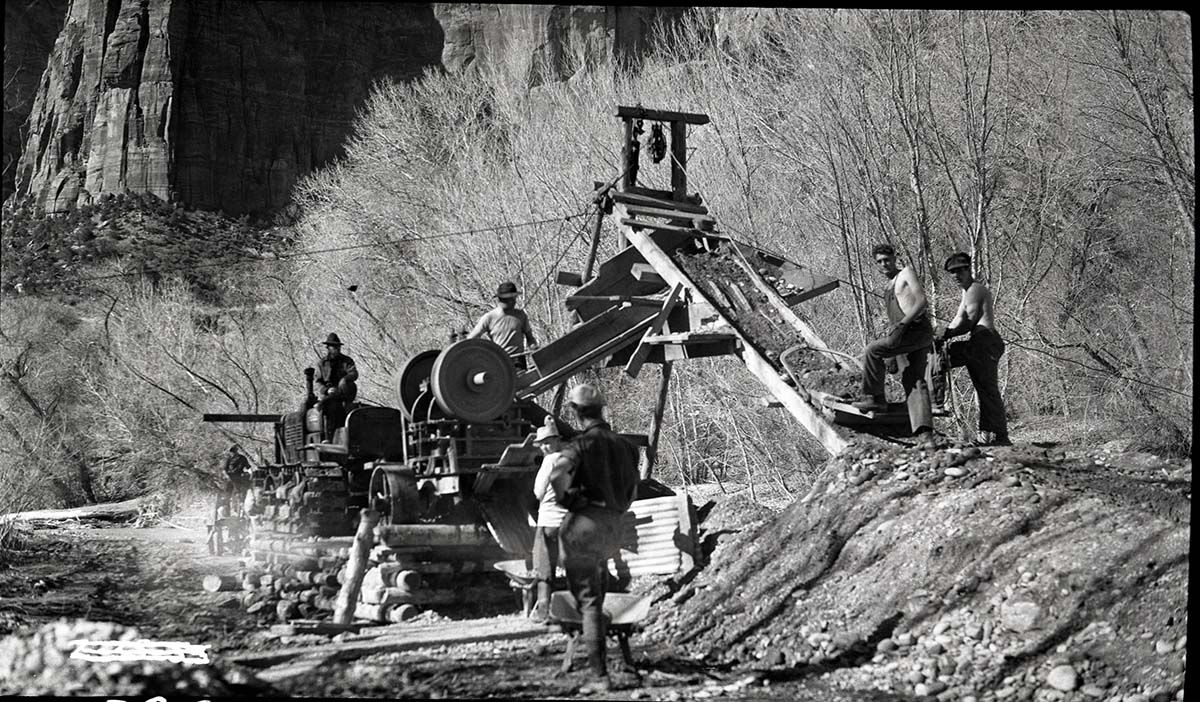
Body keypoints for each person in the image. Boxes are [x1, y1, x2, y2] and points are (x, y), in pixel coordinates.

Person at [549, 384, 639, 692]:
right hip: (614, 526)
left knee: (588, 603)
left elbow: (556, 474)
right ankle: (607, 663)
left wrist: (568, 501)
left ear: (575, 412)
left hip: (583, 527)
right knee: (598, 594)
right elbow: (633, 490)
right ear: (602, 408)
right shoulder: (627, 446)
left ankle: (599, 676)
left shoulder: (579, 445)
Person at [853, 243, 935, 435]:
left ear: (895, 258)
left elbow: (922, 301)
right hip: (903, 335)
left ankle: (875, 398)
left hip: (916, 330)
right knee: (913, 378)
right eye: (879, 262)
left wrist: (902, 326)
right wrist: (891, 351)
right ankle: (924, 432)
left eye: (887, 260)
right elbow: (894, 318)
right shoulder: (888, 286)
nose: (884, 264)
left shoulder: (906, 273)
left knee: (873, 350)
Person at [936, 252, 1010, 446]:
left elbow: (968, 323)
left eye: (960, 271)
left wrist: (947, 334)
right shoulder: (966, 292)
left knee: (987, 389)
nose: (956, 276)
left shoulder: (976, 289)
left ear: (969, 269)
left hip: (985, 342)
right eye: (952, 273)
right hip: (979, 344)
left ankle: (1001, 437)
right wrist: (943, 333)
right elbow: (958, 319)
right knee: (982, 387)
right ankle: (992, 436)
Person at [529, 418, 567, 621]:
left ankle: (544, 610)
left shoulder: (550, 460)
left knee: (545, 567)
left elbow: (538, 491)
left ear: (557, 440)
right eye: (542, 444)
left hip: (549, 521)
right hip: (568, 520)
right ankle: (573, 609)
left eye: (547, 442)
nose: (544, 447)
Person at [467, 281, 538, 370]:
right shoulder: (489, 317)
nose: (514, 301)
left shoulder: (520, 315)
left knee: (521, 381)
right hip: (499, 361)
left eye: (514, 298)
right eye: (511, 299)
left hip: (518, 361)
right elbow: (471, 339)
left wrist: (534, 350)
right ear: (501, 300)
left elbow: (530, 338)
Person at [315, 332, 358, 434]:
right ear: (328, 348)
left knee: (341, 392)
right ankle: (328, 437)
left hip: (344, 391)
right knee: (329, 408)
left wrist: (344, 380)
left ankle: (324, 402)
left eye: (338, 347)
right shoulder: (322, 363)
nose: (337, 349)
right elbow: (318, 381)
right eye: (334, 347)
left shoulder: (347, 361)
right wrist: (327, 390)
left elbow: (354, 373)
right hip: (330, 393)